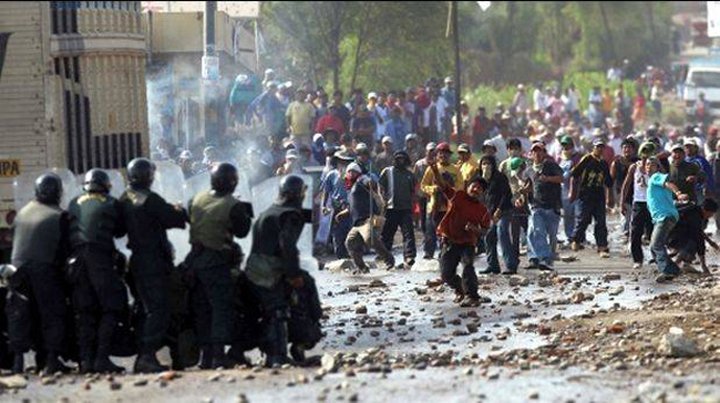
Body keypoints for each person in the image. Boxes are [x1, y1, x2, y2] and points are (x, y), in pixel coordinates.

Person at [118, 158, 188, 373]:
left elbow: (119, 230)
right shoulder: (150, 199)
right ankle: (147, 355)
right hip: (153, 262)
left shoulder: (124, 198)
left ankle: (146, 352)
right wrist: (178, 209)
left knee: (144, 308)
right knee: (159, 309)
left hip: (136, 260)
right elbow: (175, 219)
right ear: (148, 177)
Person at [184, 163, 253, 369]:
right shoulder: (233, 204)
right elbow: (242, 232)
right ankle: (218, 355)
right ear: (233, 182)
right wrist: (245, 212)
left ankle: (206, 357)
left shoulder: (196, 199)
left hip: (194, 262)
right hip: (217, 263)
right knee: (221, 309)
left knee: (202, 309)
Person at [244, 175, 315, 367]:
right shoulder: (290, 215)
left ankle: (274, 352)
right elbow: (287, 246)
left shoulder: (270, 211)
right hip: (269, 270)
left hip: (253, 268)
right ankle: (280, 355)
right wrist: (294, 275)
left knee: (270, 309)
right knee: (279, 310)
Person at [7, 173, 72, 374]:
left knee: (20, 314)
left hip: (16, 270)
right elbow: (65, 251)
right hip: (44, 269)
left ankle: (18, 361)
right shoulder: (59, 215)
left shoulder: (23, 212)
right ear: (59, 193)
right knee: (52, 314)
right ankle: (51, 360)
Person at [68, 169, 128, 373]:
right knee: (112, 306)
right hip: (100, 259)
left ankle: (85, 361)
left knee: (85, 311)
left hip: (76, 262)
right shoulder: (111, 203)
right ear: (106, 185)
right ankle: (102, 358)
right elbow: (120, 231)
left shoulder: (73, 202)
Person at [436, 174, 492, 307]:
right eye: (474, 186)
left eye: (479, 188)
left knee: (468, 266)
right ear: (468, 187)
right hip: (449, 240)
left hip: (467, 243)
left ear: (482, 192)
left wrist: (474, 229)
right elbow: (443, 185)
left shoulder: (482, 210)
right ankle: (460, 289)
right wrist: (434, 168)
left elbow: (485, 231)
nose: (476, 189)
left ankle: (472, 296)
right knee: (446, 274)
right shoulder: (457, 196)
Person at [340, 163, 395, 273]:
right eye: (349, 171)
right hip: (357, 224)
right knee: (350, 243)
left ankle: (389, 260)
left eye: (353, 171)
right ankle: (362, 268)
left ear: (358, 173)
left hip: (367, 219)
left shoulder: (361, 180)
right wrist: (341, 214)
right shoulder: (350, 189)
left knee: (371, 240)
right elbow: (351, 207)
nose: (351, 174)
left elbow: (369, 182)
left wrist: (370, 183)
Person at [646, 157, 689, 283]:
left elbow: (669, 184)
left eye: (652, 165)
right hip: (665, 217)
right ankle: (672, 270)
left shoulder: (656, 177)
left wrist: (679, 193)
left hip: (664, 217)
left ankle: (667, 271)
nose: (649, 167)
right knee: (654, 246)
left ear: (657, 167)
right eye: (647, 165)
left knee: (656, 244)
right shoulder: (652, 183)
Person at [569, 139, 614, 257]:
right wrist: (572, 192)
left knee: (601, 221)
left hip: (599, 194)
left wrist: (610, 196)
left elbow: (608, 182)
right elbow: (574, 174)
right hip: (585, 193)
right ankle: (576, 240)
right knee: (583, 218)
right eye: (597, 147)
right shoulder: (587, 159)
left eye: (601, 147)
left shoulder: (604, 163)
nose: (599, 149)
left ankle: (602, 246)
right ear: (593, 148)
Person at [420, 142, 463, 259]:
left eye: (445, 154)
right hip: (434, 206)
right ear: (437, 155)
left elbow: (460, 187)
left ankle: (445, 254)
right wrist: (433, 189)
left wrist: (450, 189)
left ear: (449, 155)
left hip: (448, 207)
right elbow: (423, 185)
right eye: (440, 153)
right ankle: (428, 255)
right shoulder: (432, 169)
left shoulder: (455, 170)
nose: (443, 156)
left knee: (446, 233)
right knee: (430, 232)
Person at [525, 143, 564, 271]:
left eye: (540, 151)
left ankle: (549, 258)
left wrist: (547, 178)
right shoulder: (529, 169)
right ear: (531, 153)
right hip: (537, 205)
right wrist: (523, 193)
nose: (537, 154)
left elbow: (561, 178)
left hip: (552, 206)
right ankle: (542, 259)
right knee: (536, 231)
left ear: (544, 152)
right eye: (534, 151)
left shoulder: (551, 165)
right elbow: (529, 185)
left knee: (552, 236)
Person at [620, 142, 657, 269]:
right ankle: (638, 259)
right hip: (638, 203)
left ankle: (656, 257)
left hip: (653, 203)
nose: (646, 156)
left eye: (649, 152)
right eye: (644, 152)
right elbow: (626, 185)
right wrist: (622, 202)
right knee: (635, 232)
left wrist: (655, 165)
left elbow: (664, 179)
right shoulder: (634, 167)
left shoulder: (655, 166)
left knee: (653, 231)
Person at [479, 155, 517, 274]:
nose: (486, 166)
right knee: (488, 237)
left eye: (488, 164)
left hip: (503, 211)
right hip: (489, 213)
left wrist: (499, 210)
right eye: (484, 164)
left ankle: (511, 265)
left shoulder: (500, 177)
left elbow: (506, 194)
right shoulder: (480, 180)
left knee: (502, 233)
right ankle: (493, 265)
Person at [379, 151, 417, 269]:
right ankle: (384, 257)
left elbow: (413, 191)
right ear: (395, 159)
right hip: (391, 208)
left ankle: (409, 257)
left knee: (408, 234)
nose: (401, 161)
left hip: (406, 209)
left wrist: (413, 206)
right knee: (387, 234)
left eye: (403, 159)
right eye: (398, 159)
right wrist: (382, 200)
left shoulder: (410, 174)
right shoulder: (387, 171)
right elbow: (380, 187)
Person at [668, 199, 720, 275]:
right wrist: (703, 265)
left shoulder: (696, 211)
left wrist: (711, 242)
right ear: (705, 210)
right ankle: (674, 266)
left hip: (674, 234)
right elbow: (699, 239)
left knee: (694, 241)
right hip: (672, 237)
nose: (711, 216)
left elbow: (699, 231)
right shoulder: (694, 216)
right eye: (711, 214)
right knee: (693, 244)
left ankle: (685, 264)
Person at [320, 151, 354, 259]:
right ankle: (341, 257)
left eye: (346, 162)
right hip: (337, 207)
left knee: (351, 232)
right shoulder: (331, 174)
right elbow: (326, 191)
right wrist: (324, 205)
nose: (344, 164)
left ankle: (352, 256)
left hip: (350, 207)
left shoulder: (353, 175)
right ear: (338, 162)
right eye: (342, 162)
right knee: (337, 233)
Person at [557, 135, 581, 242]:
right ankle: (569, 235)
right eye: (564, 146)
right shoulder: (560, 158)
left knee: (578, 214)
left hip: (576, 189)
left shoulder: (577, 157)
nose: (566, 148)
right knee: (567, 215)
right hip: (563, 190)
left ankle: (578, 235)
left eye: (568, 146)